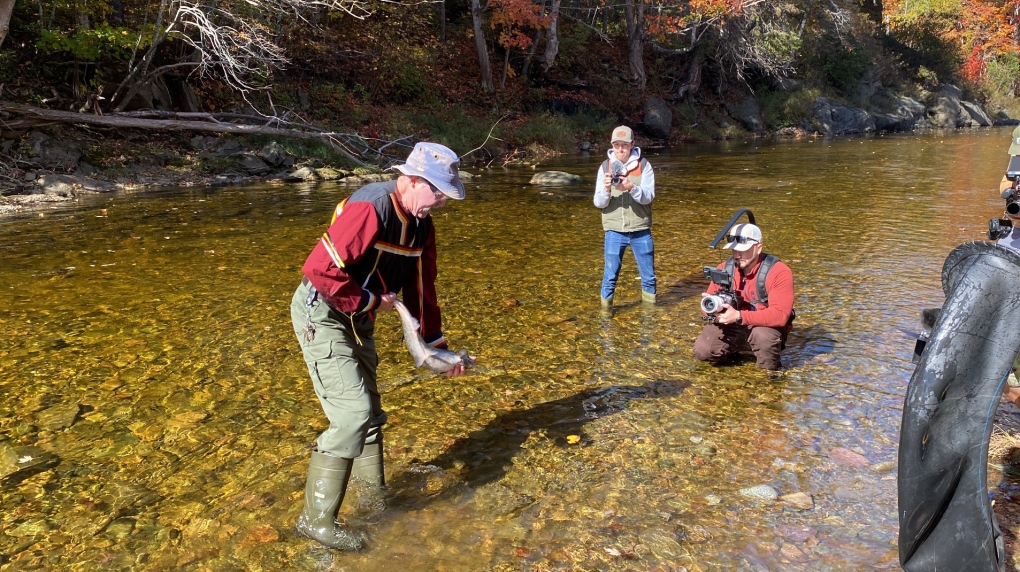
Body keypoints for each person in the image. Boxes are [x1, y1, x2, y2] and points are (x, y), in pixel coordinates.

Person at [290, 142, 469, 550]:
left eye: (445, 194)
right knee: (352, 416)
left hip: (360, 320)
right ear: (410, 180)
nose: (441, 202)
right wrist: (370, 302)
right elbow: (320, 269)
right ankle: (314, 521)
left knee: (371, 414)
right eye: (437, 192)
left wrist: (438, 348)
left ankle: (373, 498)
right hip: (324, 314)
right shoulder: (371, 207)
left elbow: (423, 287)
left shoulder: (422, 225)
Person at [692, 223, 794, 372]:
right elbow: (708, 305)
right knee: (702, 351)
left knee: (764, 339)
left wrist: (739, 316)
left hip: (762, 326)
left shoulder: (779, 272)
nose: (737, 255)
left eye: (743, 250)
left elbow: (780, 316)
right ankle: (737, 351)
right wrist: (711, 309)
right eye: (734, 249)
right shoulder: (724, 268)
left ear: (758, 247)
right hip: (732, 324)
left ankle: (771, 376)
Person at [593, 125, 656, 312]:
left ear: (632, 145)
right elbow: (599, 203)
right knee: (610, 276)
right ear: (612, 145)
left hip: (640, 230)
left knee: (649, 277)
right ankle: (605, 316)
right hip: (614, 231)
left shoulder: (644, 166)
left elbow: (648, 197)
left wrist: (631, 187)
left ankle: (650, 315)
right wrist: (606, 189)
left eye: (625, 145)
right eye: (617, 145)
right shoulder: (605, 167)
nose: (620, 149)